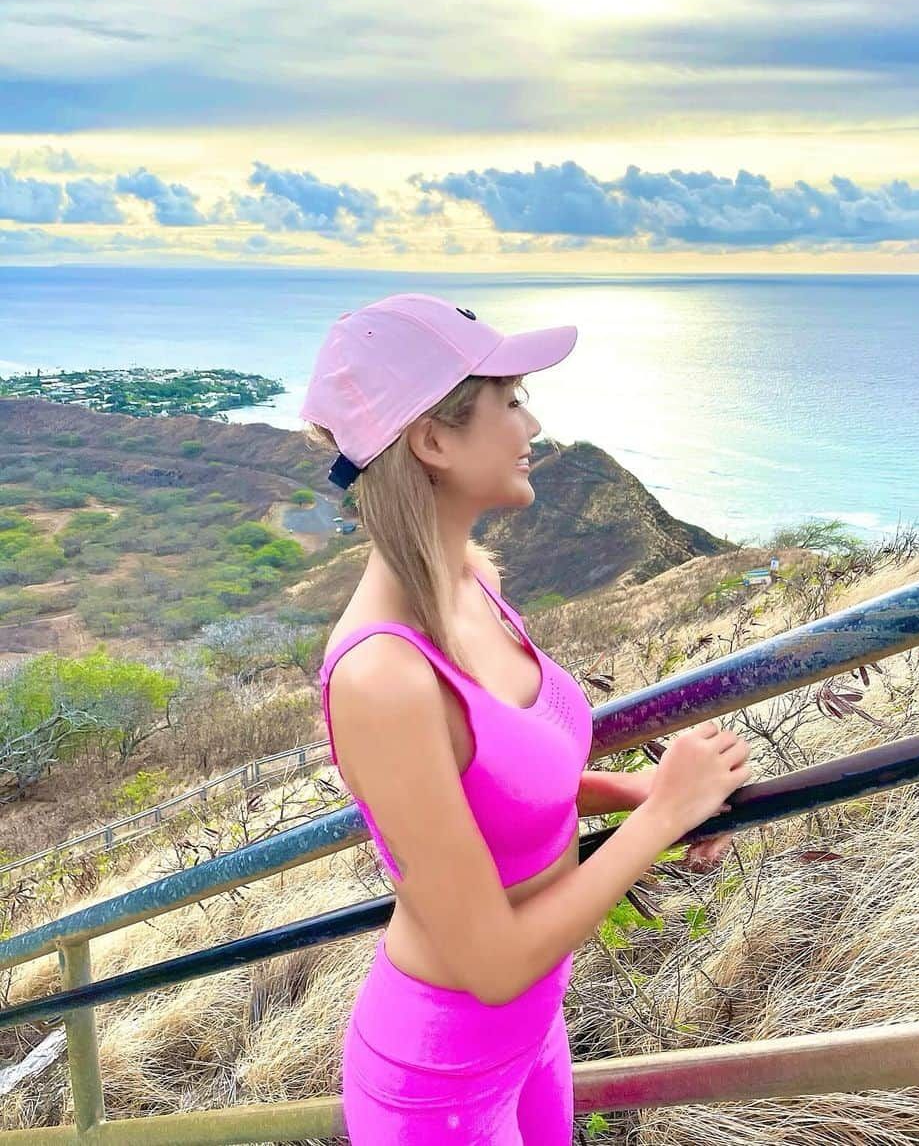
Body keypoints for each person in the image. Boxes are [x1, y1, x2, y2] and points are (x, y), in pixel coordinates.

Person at [300, 292, 754, 1144]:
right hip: (436, 1084)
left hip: (533, 1035)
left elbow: (505, 786)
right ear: (433, 440)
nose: (533, 424)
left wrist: (644, 789)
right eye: (509, 400)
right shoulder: (383, 678)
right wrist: (662, 816)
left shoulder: (475, 582)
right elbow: (493, 962)